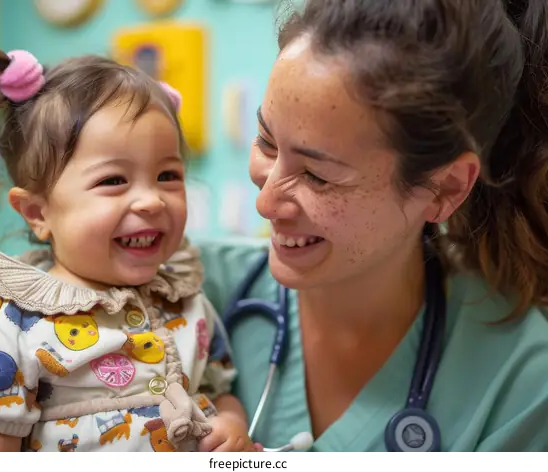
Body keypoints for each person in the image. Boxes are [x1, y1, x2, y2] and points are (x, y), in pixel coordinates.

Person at [196, 0, 548, 452]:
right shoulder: (178, 289)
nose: (265, 202)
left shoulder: (521, 384)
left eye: (317, 176)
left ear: (444, 189)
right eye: (266, 141)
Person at [0, 48, 256, 453]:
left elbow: (219, 389)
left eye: (168, 175)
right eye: (113, 180)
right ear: (38, 212)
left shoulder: (188, 303)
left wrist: (232, 422)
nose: (151, 201)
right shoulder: (5, 331)